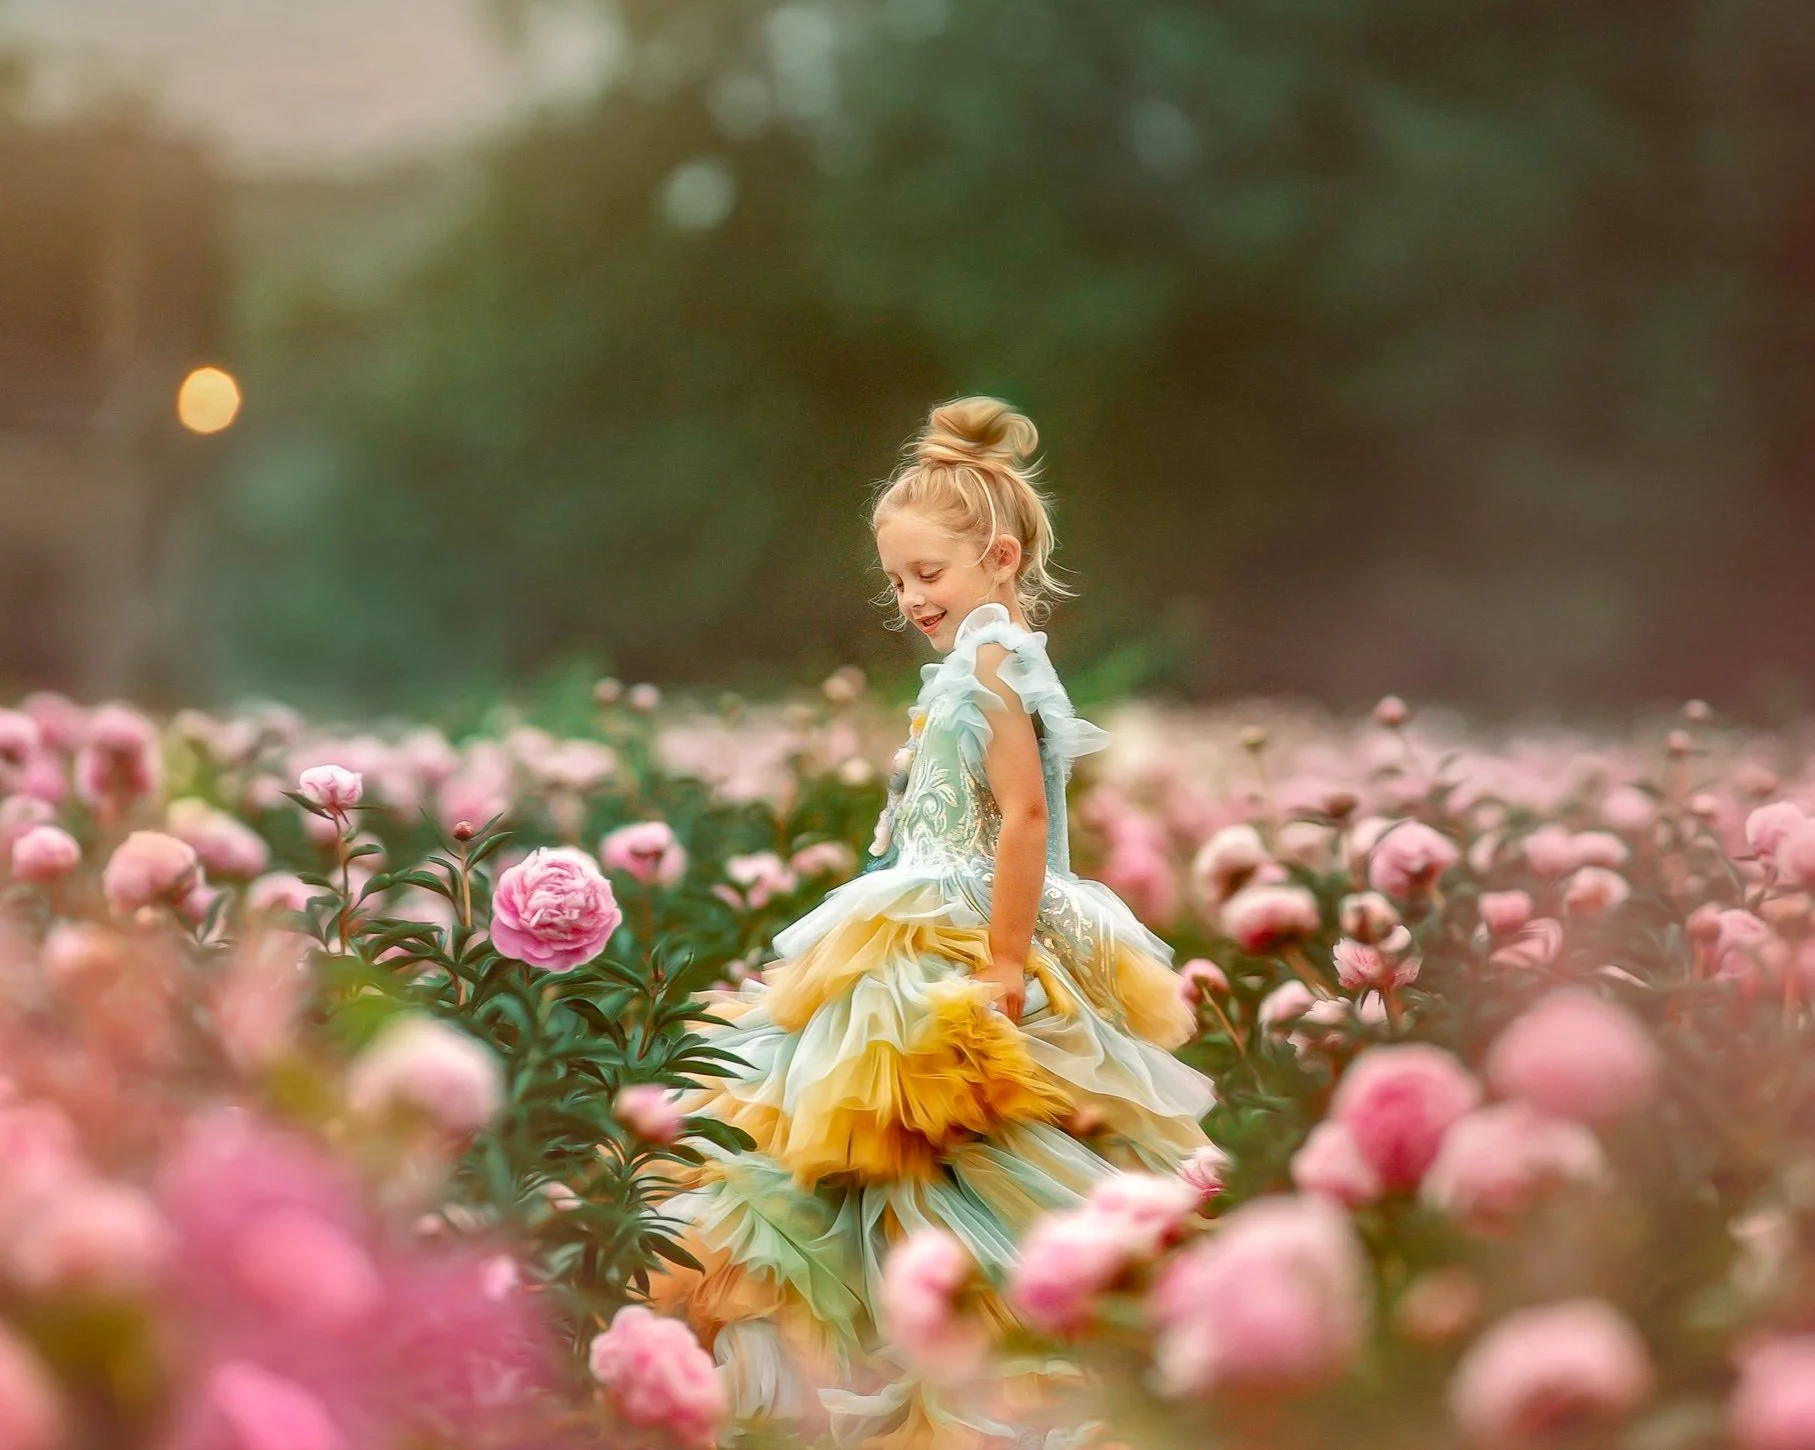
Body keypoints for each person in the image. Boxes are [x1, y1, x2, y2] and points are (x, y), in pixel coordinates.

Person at [648, 397, 1216, 1448]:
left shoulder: (997, 663)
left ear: (998, 560)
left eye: (929, 576)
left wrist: (1004, 960)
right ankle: (901, 1351)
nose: (910, 598)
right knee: (881, 1144)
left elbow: (1028, 817)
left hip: (964, 925)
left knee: (947, 1148)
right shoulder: (974, 662)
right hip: (922, 907)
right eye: (899, 580)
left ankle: (950, 1365)